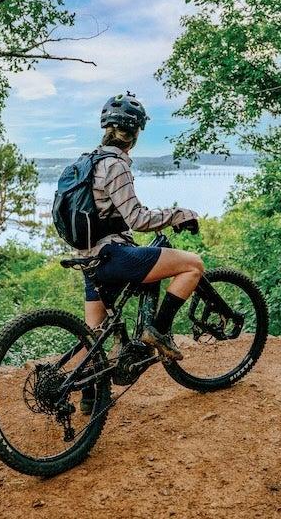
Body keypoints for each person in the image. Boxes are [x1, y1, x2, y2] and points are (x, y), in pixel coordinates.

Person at [75, 93, 204, 414]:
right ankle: (156, 330)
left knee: (95, 335)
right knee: (193, 265)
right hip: (111, 257)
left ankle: (90, 396)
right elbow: (138, 219)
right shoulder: (115, 165)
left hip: (88, 259)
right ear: (134, 134)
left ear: (106, 128)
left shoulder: (87, 161)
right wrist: (179, 214)